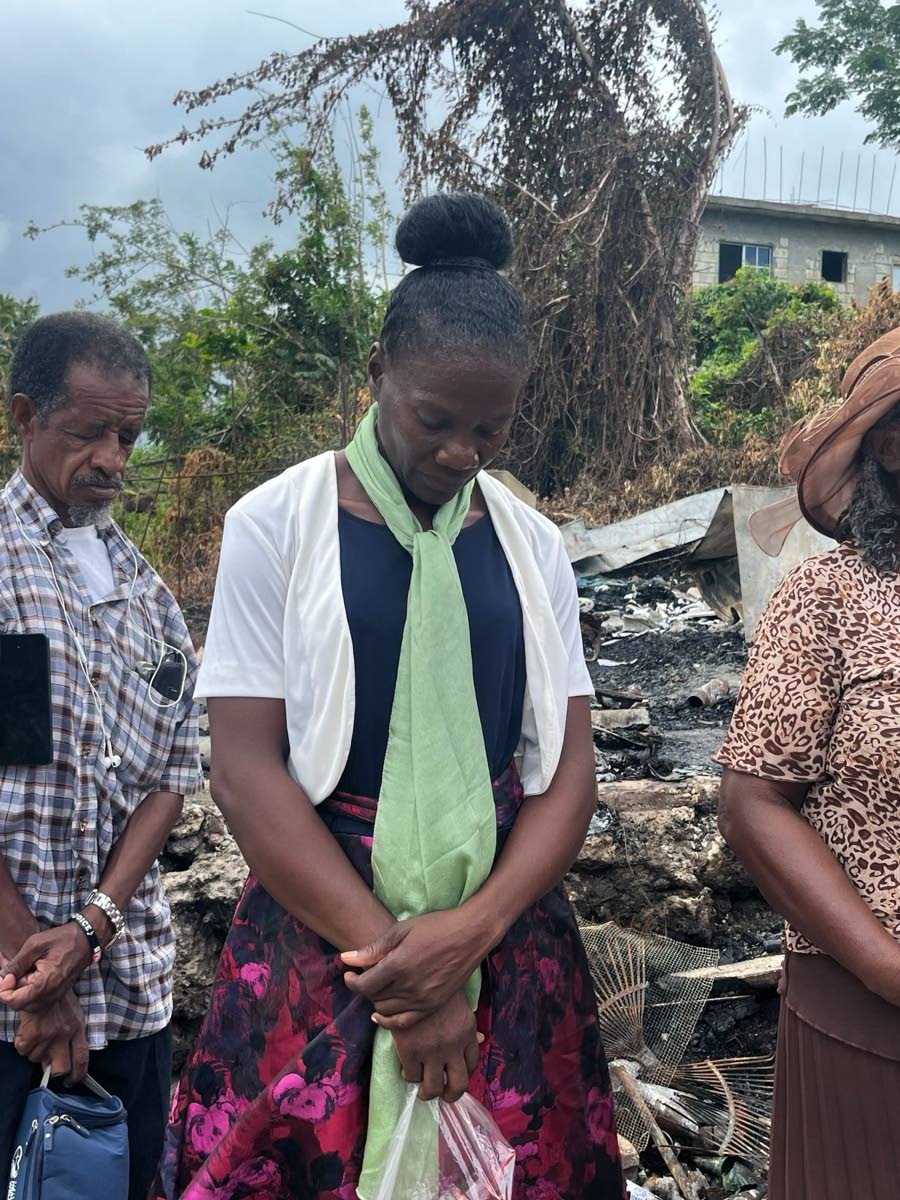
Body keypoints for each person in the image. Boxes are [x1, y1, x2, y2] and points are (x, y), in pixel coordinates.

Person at [154, 192, 624, 1200]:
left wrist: (475, 932)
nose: (462, 453)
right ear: (377, 375)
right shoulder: (276, 523)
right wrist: (409, 982)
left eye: (492, 429)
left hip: (504, 935)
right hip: (326, 929)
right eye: (435, 420)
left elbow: (569, 766)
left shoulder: (530, 544)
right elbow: (242, 769)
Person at [0, 312, 203, 1200]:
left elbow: (168, 777)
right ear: (22, 418)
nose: (115, 459)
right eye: (90, 433)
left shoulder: (148, 596)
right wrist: (36, 982)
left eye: (129, 434)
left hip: (129, 992)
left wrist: (92, 927)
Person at [717, 327, 900, 1199]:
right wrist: (882, 965)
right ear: (891, 445)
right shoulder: (830, 599)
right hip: (866, 1010)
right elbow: (756, 803)